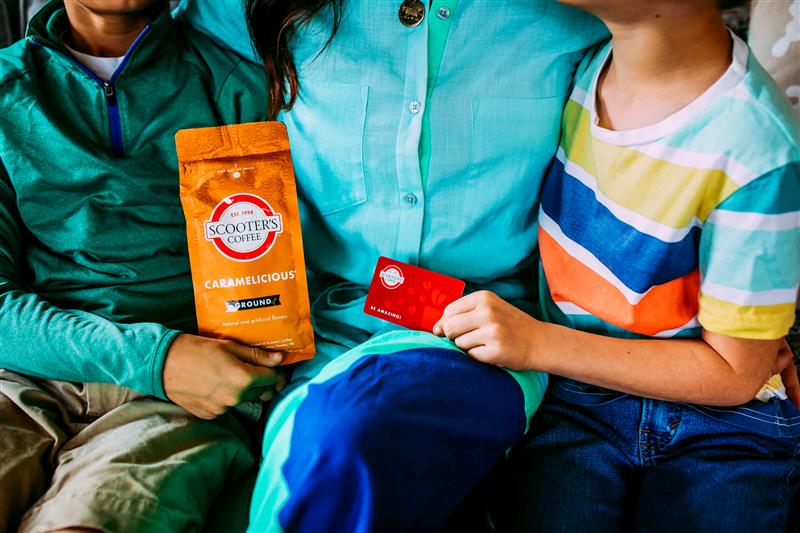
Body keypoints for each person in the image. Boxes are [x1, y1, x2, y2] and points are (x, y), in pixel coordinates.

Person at [177, 0, 609, 531]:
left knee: (343, 437)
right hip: (315, 327)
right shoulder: (251, 9)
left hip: (481, 333)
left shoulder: (577, 14)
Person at [432, 1, 800, 530]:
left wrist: (539, 343)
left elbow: (734, 374)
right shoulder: (585, 67)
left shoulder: (758, 150)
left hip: (719, 427)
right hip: (576, 403)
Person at [0, 0, 282, 530]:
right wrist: (151, 357)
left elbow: (277, 273)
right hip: (27, 375)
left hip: (185, 393)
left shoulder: (238, 87)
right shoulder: (6, 92)